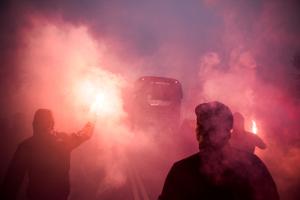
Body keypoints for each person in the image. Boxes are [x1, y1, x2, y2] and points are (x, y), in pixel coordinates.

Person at [159, 101, 279, 200]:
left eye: (210, 128)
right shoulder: (253, 165)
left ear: (227, 132)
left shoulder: (182, 170)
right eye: (201, 126)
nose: (202, 131)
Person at [1, 109, 94, 200]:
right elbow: (85, 134)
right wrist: (94, 116)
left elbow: (11, 183)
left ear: (34, 124)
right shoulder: (63, 142)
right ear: (52, 124)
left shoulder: (26, 146)